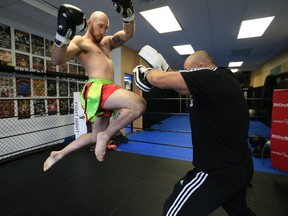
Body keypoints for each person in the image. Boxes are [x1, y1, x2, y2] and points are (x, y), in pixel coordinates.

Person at [134, 46, 256, 216]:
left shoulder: (210, 76)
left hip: (217, 170)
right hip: (238, 165)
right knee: (239, 211)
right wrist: (165, 66)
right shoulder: (221, 80)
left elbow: (160, 81)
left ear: (200, 66)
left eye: (188, 71)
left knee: (173, 213)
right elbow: (182, 88)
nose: (186, 74)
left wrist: (145, 72)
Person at [43, 0, 146, 171]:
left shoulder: (106, 42)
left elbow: (128, 34)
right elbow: (57, 59)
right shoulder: (80, 41)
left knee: (94, 136)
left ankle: (58, 154)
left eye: (106, 28)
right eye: (100, 26)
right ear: (89, 23)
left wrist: (128, 15)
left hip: (106, 90)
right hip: (97, 89)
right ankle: (106, 136)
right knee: (138, 104)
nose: (103, 31)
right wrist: (62, 36)